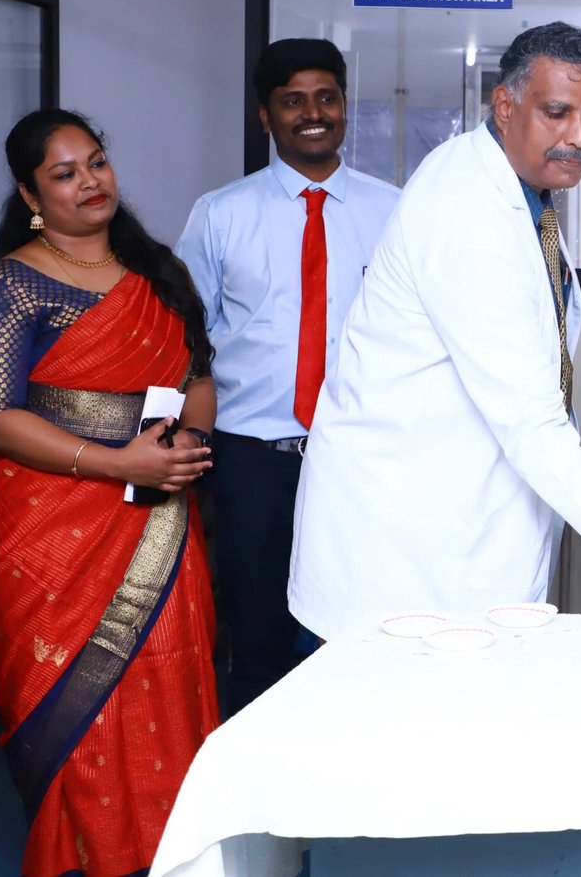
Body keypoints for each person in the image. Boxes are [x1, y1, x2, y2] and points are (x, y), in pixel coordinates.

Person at [288, 22, 581, 637]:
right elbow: (531, 420)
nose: (580, 139)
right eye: (557, 113)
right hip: (400, 549)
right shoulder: (466, 207)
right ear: (505, 105)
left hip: (463, 528)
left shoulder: (525, 194)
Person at [0, 109, 218, 877]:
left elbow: (198, 377)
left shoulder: (156, 270)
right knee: (73, 690)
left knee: (167, 669)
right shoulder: (8, 285)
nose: (89, 182)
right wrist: (116, 464)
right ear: (30, 194)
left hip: (159, 508)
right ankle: (88, 854)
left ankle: (175, 849)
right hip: (49, 526)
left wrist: (184, 442)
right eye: (64, 173)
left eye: (96, 162)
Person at [176, 38, 399, 716]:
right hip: (252, 458)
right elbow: (187, 338)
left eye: (326, 97)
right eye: (293, 101)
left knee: (363, 626)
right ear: (265, 115)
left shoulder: (395, 211)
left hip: (361, 454)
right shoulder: (221, 213)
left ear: (345, 106)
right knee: (258, 631)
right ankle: (259, 763)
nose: (313, 113)